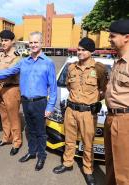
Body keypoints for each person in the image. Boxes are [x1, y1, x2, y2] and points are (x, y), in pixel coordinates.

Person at [0, 31, 57, 171]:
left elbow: (53, 87)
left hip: (40, 102)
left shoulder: (48, 63)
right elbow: (6, 72)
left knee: (40, 131)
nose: (33, 45)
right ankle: (32, 152)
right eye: (31, 42)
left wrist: (50, 106)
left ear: (41, 43)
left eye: (36, 42)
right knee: (31, 130)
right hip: (26, 101)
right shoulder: (23, 62)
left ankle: (41, 156)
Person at [53, 37, 108, 185]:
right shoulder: (71, 67)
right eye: (78, 49)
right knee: (69, 139)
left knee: (88, 143)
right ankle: (67, 163)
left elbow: (104, 89)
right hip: (71, 109)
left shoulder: (99, 69)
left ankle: (88, 170)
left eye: (83, 50)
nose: (80, 52)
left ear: (91, 51)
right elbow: (69, 86)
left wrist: (93, 100)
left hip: (88, 113)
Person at [105, 19, 129, 185]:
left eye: (112, 36)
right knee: (111, 164)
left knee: (123, 169)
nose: (109, 39)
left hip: (124, 120)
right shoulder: (117, 61)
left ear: (126, 37)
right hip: (111, 118)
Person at [0, 30, 23, 156]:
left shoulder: (16, 56)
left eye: (6, 40)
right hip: (2, 88)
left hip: (12, 89)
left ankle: (16, 142)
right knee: (4, 116)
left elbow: (9, 73)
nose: (3, 43)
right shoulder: (1, 56)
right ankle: (6, 138)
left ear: (12, 41)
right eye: (2, 40)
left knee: (13, 117)